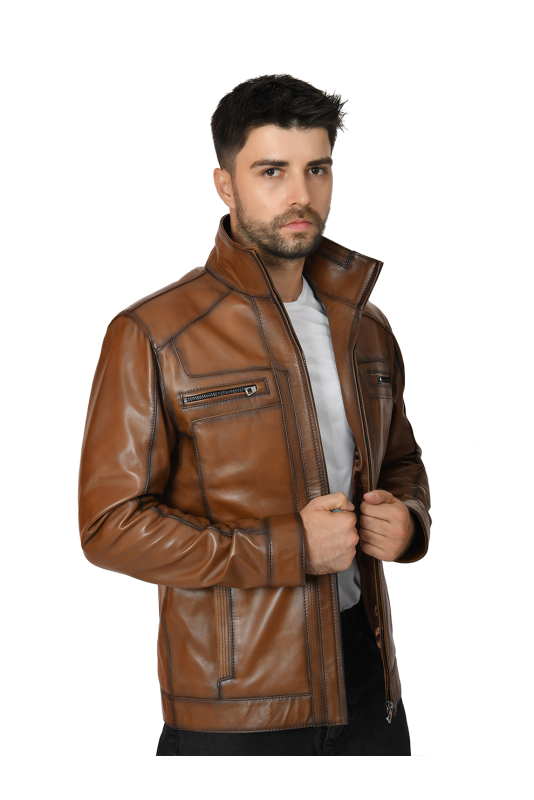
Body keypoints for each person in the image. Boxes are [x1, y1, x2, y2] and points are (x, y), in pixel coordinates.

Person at [78, 74, 431, 756]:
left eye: (316, 169)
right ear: (225, 184)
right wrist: (288, 548)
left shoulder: (365, 327)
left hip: (369, 688)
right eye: (272, 171)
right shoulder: (156, 333)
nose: (300, 195)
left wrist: (409, 520)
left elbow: (400, 461)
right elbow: (109, 527)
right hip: (236, 706)